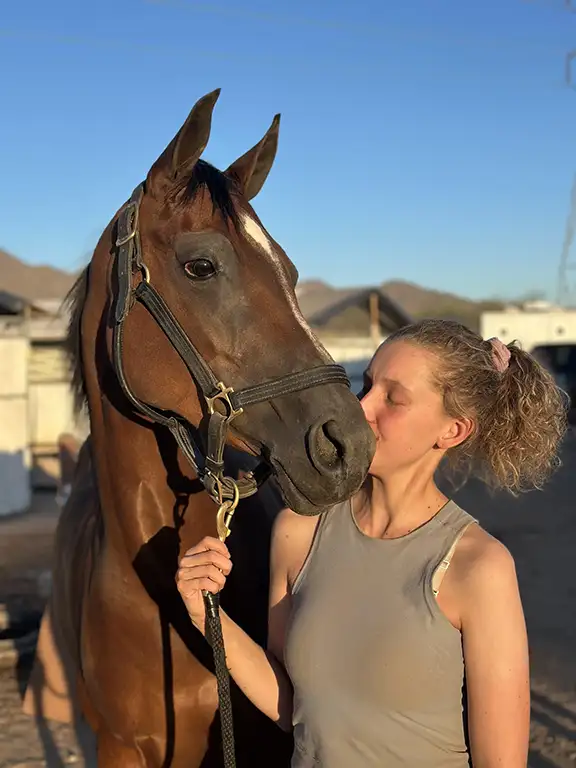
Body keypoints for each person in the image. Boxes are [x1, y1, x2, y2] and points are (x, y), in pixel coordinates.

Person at [177, 319, 568, 767]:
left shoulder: (479, 566)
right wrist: (204, 611)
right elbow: (292, 707)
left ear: (452, 431)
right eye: (366, 386)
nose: (361, 408)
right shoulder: (297, 531)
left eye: (393, 398)